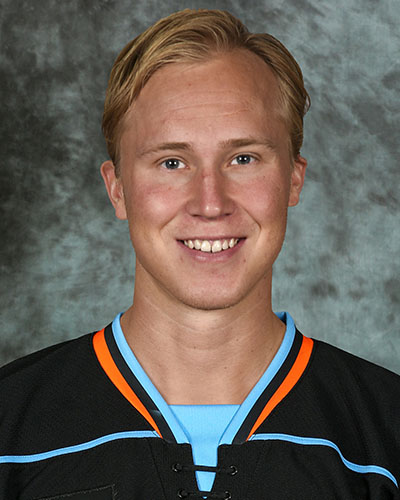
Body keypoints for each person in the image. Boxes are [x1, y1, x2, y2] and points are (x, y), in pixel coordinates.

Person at [0, 8, 399, 500]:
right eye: (172, 162)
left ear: (293, 179)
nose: (210, 203)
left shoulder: (385, 434)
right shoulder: (11, 430)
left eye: (243, 158)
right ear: (117, 188)